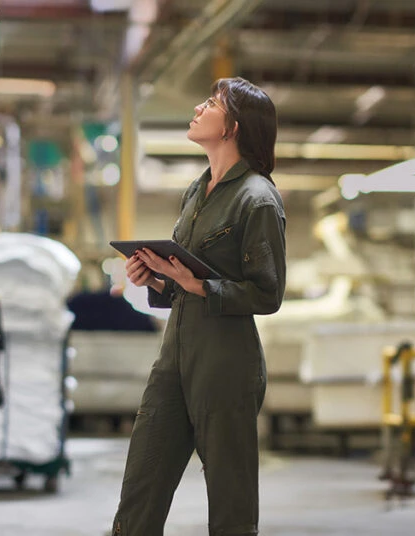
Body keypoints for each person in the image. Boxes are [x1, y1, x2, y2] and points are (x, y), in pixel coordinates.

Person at [112, 77, 286, 536]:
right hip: (175, 361)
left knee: (231, 504)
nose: (197, 107)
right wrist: (156, 277)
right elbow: (181, 286)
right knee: (140, 490)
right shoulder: (196, 192)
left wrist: (198, 283)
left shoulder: (257, 198)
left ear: (232, 126)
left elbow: (267, 294)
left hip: (226, 365)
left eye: (211, 104)